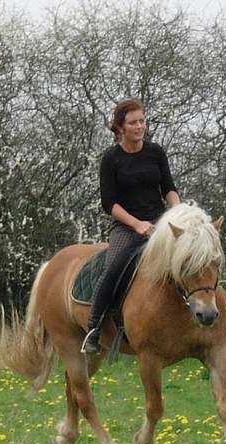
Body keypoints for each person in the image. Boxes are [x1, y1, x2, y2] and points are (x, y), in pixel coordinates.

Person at [82, 98, 180, 353]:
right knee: (112, 268)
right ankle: (93, 327)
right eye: (133, 122)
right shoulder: (111, 159)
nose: (140, 127)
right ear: (120, 128)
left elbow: (168, 188)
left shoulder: (155, 152)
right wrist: (136, 224)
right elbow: (109, 204)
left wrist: (178, 212)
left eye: (142, 121)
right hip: (126, 227)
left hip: (160, 223)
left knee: (190, 257)